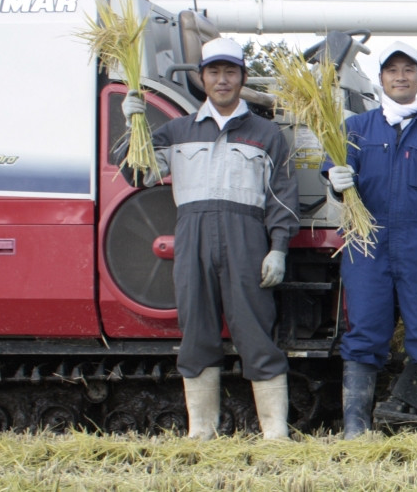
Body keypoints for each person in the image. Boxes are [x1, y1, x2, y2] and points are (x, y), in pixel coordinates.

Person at [119, 37, 300, 440]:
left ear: (242, 77)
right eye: (214, 72)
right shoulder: (175, 132)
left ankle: (275, 434)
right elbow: (137, 175)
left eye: (230, 72)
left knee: (255, 330)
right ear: (202, 78)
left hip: (247, 238)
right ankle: (201, 432)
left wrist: (278, 248)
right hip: (192, 234)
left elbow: (282, 198)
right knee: (196, 330)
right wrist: (132, 128)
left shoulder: (266, 135)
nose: (222, 80)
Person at [324, 41, 417, 440]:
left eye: (409, 70)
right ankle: (356, 428)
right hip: (366, 244)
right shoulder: (355, 128)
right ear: (381, 78)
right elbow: (336, 179)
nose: (400, 77)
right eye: (392, 70)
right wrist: (335, 184)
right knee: (365, 332)